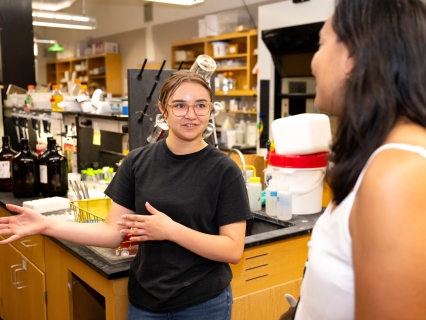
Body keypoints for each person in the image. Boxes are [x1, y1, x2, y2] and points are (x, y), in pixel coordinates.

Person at [0, 70, 252, 319]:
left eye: (200, 105)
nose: (191, 115)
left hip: (203, 304)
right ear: (163, 109)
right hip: (145, 302)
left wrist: (171, 230)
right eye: (179, 105)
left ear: (210, 111)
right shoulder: (138, 161)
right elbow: (111, 233)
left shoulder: (224, 170)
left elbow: (232, 249)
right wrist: (46, 224)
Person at [294, 0, 426, 319]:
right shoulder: (396, 154)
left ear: (352, 56)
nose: (312, 63)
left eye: (320, 43)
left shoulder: (400, 174)